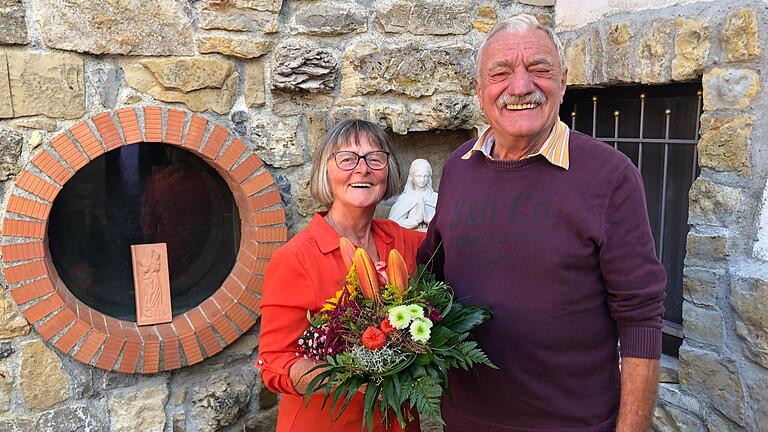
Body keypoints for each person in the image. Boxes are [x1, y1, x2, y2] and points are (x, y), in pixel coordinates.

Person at [417, 15, 666, 432]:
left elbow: (641, 319)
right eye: (500, 73)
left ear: (564, 81)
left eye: (539, 69)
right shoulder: (459, 167)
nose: (520, 87)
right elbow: (430, 271)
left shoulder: (611, 177)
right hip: (463, 422)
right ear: (479, 91)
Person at [257, 119, 424, 432]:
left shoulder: (404, 243)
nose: (362, 169)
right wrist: (353, 376)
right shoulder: (295, 259)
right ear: (325, 171)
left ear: (388, 171)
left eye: (375, 158)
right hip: (328, 423)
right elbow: (274, 362)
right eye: (347, 158)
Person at [388, 159, 438, 231]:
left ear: (429, 177)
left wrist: (429, 220)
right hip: (410, 240)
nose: (422, 180)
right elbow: (391, 227)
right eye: (418, 176)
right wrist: (415, 220)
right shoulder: (405, 199)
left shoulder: (436, 198)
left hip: (434, 240)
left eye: (425, 176)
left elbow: (448, 224)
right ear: (412, 177)